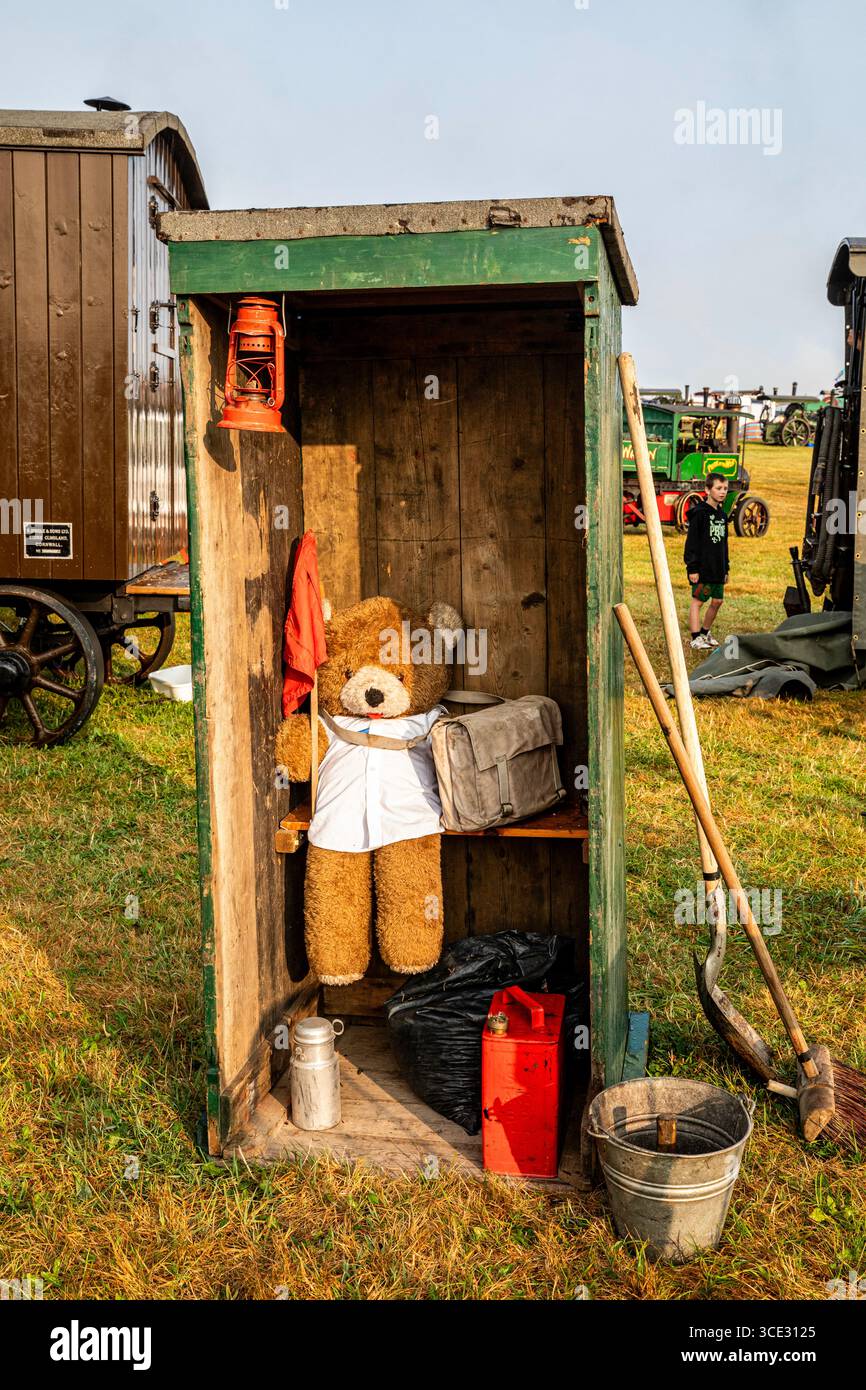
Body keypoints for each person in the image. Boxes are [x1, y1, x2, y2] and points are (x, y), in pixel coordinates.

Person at [684, 473, 730, 649]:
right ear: (707, 490)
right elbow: (692, 543)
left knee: (717, 601)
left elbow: (724, 544)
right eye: (718, 488)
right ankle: (696, 638)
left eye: (725, 488)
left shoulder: (722, 515)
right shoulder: (699, 514)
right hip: (702, 568)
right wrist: (692, 568)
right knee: (698, 601)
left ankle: (705, 632)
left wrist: (726, 568)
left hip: (717, 567)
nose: (722, 492)